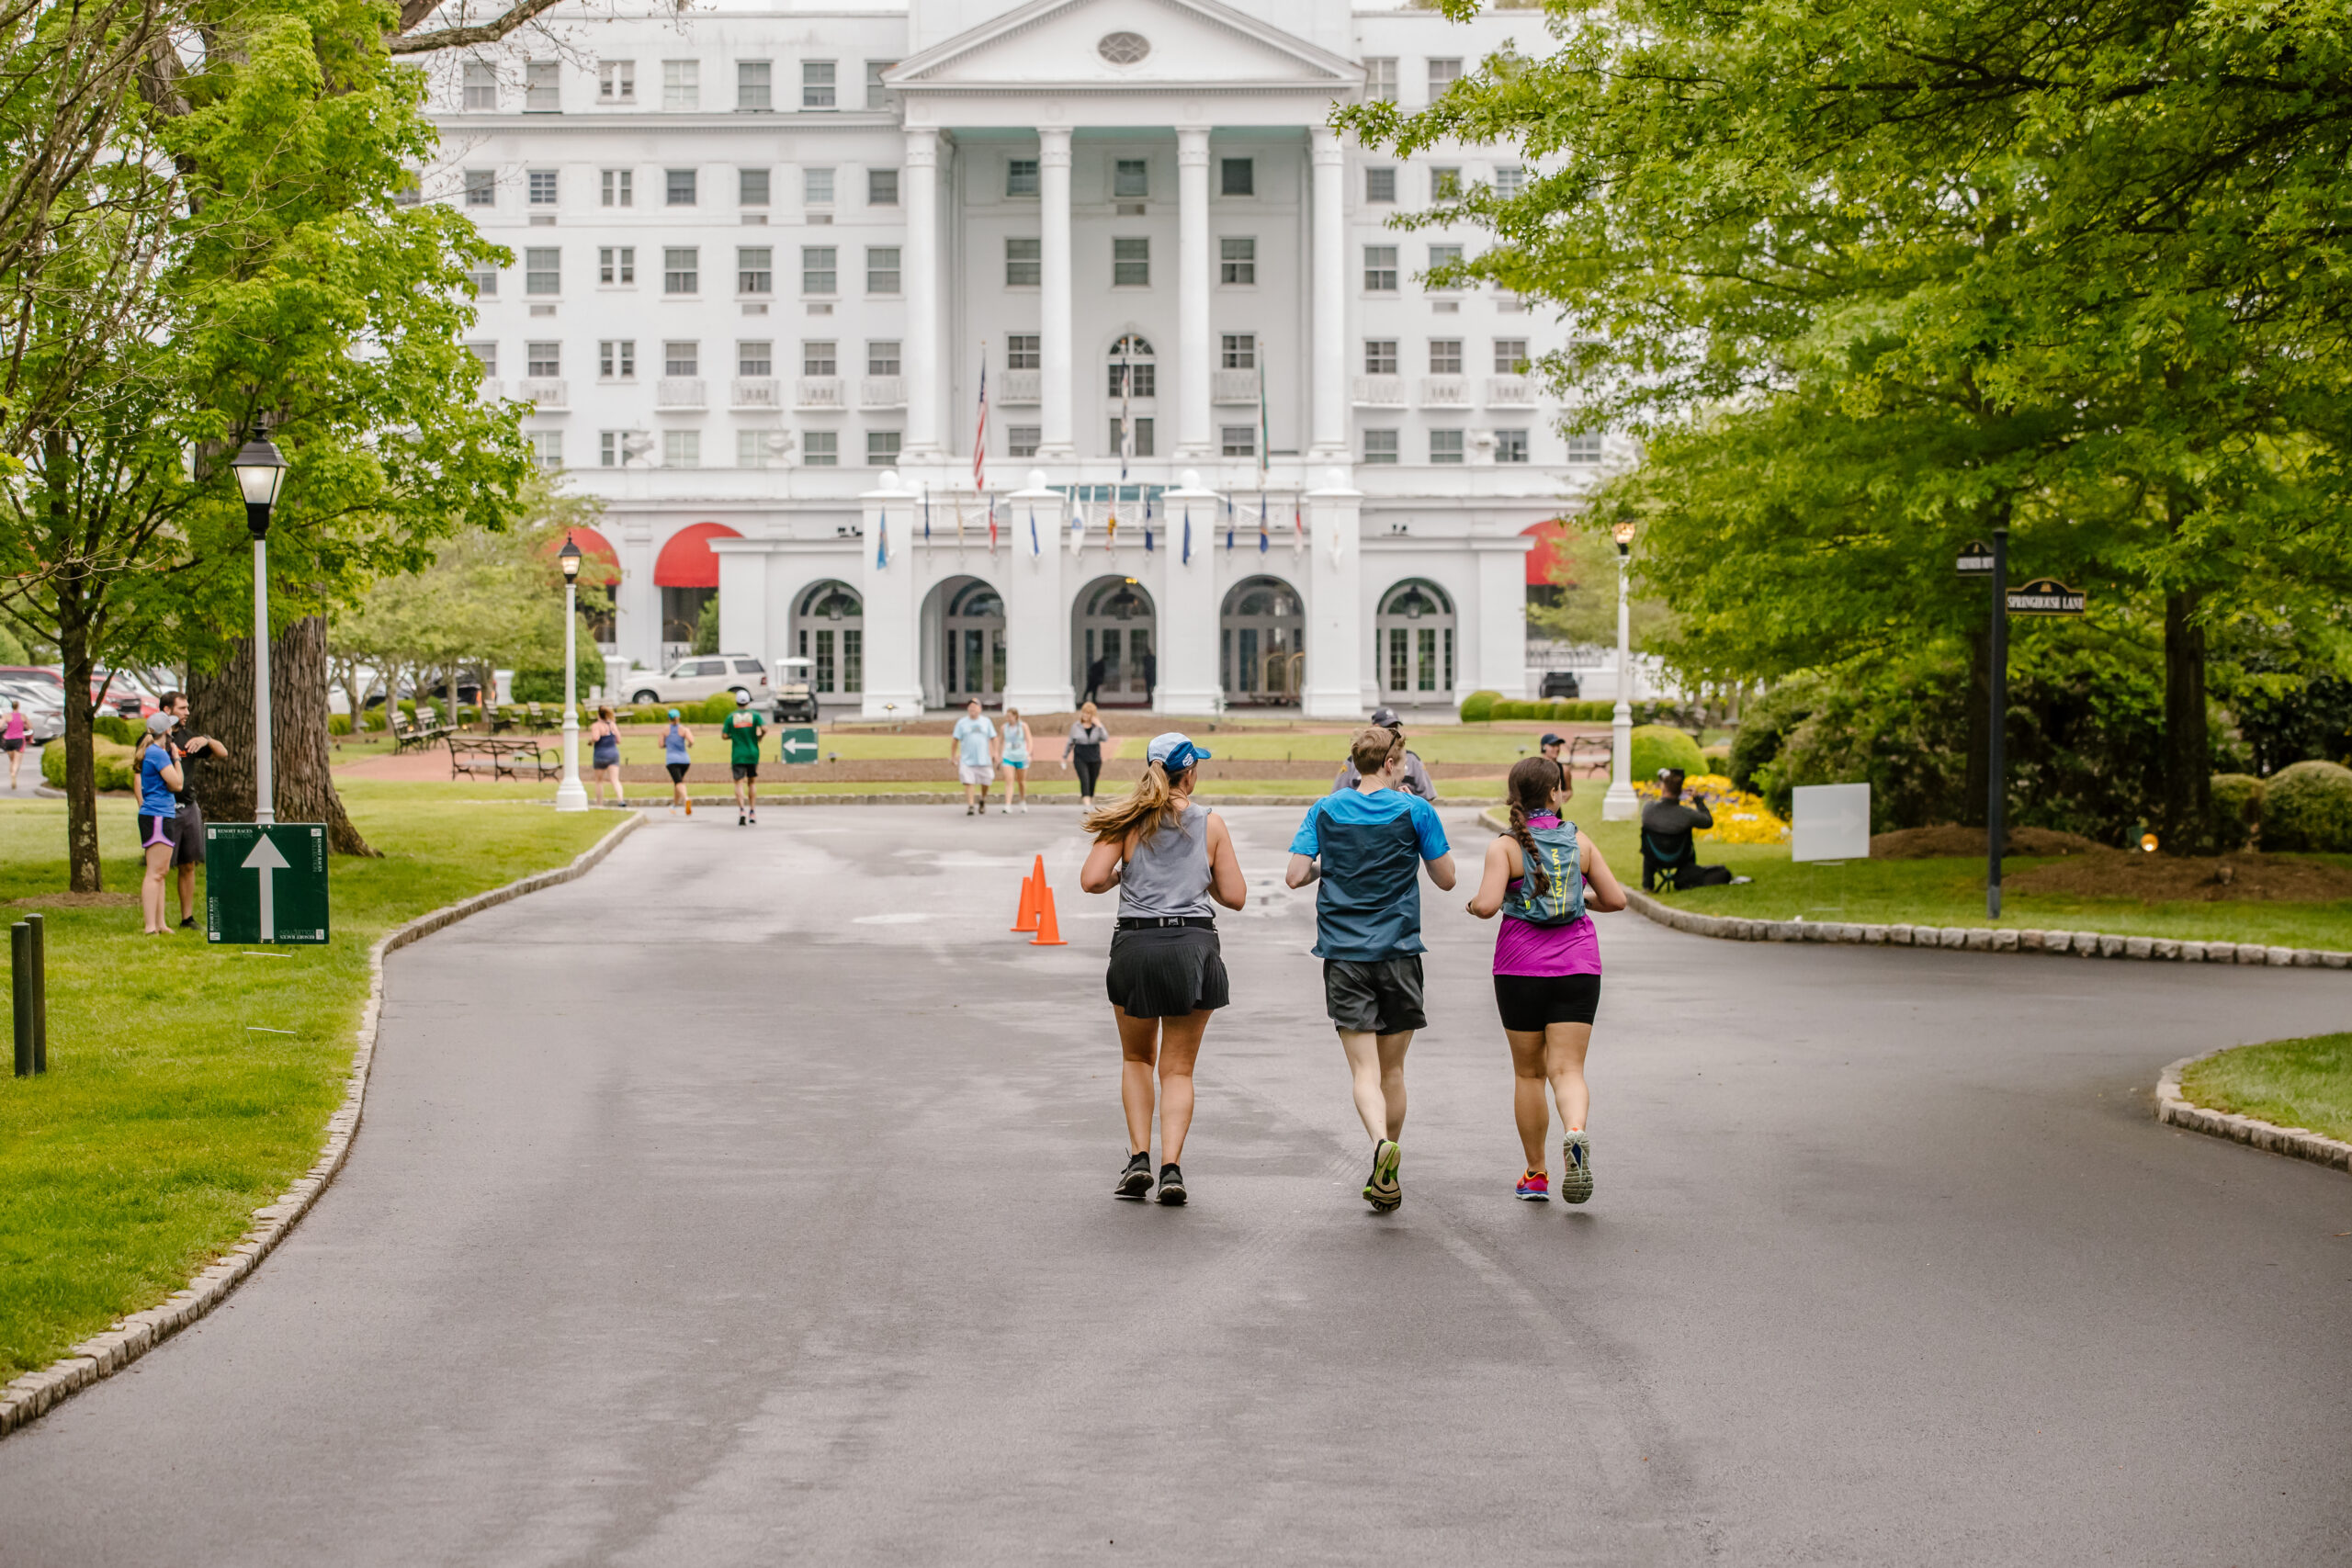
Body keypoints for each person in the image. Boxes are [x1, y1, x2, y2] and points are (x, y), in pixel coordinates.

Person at [1287, 725, 1456, 1212]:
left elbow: (1296, 875)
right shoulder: (1416, 810)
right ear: (1388, 764)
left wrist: (1330, 866)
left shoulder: (1323, 809)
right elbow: (1446, 880)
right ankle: (1389, 1162)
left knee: (1363, 1071)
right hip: (1399, 950)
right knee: (1393, 1070)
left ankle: (1379, 1143)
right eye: (1401, 763)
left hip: (1343, 953)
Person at [1079, 732, 1247, 1205]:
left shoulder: (1128, 820)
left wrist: (1123, 874)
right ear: (1190, 773)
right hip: (1193, 946)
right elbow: (1234, 896)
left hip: (1137, 944)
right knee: (1177, 1071)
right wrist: (1200, 875)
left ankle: (1139, 1159)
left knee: (1137, 1059)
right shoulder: (1211, 824)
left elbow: (1092, 880)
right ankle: (1172, 1168)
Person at [1465, 757, 1628, 1203]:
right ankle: (1575, 1133)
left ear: (1514, 796)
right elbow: (1616, 900)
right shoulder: (1581, 842)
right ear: (1556, 793)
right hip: (1578, 968)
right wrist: (1579, 899)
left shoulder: (1505, 847)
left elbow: (1486, 904)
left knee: (1529, 1074)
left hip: (1519, 969)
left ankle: (1536, 1175)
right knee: (1569, 1069)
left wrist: (1475, 907)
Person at [162, 691, 228, 930]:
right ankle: (156, 922)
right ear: (167, 711)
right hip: (163, 809)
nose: (187, 712)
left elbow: (223, 753)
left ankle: (187, 919)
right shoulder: (152, 739)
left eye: (187, 708)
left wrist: (208, 740)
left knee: (188, 864)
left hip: (189, 808)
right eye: (182, 708)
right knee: (159, 869)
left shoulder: (191, 738)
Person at [1640, 768, 1740, 891]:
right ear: (1680, 792)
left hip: (1654, 858)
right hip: (1680, 859)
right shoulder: (1686, 815)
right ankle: (1684, 879)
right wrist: (1697, 799)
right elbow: (1708, 822)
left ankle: (1648, 885)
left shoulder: (1648, 809)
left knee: (1648, 849)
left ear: (1664, 790)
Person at [134, 712, 184, 936]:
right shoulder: (159, 754)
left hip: (160, 814)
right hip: (157, 816)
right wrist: (177, 759)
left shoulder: (153, 752)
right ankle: (150, 926)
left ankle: (160, 923)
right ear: (167, 731)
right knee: (155, 872)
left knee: (161, 872)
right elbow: (176, 784)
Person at [1329, 705, 1439, 800]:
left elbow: (1426, 795)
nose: (1391, 732)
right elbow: (1337, 796)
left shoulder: (1411, 758)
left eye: (1395, 728)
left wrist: (1414, 808)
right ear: (1374, 728)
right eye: (1386, 728)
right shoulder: (1356, 759)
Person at [723, 691, 764, 825]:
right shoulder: (755, 715)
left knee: (738, 782)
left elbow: (724, 735)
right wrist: (760, 737)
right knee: (751, 782)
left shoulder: (731, 717)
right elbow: (765, 728)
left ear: (737, 702)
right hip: (752, 752)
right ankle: (752, 811)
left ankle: (742, 809)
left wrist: (732, 736)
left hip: (738, 754)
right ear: (748, 701)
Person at [950, 698, 996, 817]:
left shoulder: (986, 722)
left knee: (987, 781)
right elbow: (955, 739)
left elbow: (993, 737)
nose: (972, 709)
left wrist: (995, 753)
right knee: (968, 782)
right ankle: (971, 805)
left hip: (983, 758)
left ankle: (982, 799)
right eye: (970, 707)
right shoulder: (961, 723)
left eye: (975, 707)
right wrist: (953, 755)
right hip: (967, 759)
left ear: (980, 709)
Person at [1063, 703, 1109, 809]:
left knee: (1092, 781)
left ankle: (1089, 798)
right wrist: (1065, 756)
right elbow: (1070, 741)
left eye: (1088, 713)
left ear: (1092, 715)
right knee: (1085, 779)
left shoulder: (1097, 727)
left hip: (1094, 756)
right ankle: (1087, 805)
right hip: (1080, 756)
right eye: (1084, 712)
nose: (1085, 715)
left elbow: (1105, 738)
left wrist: (1100, 726)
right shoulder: (1076, 726)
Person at [997, 706, 1033, 814]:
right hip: (1008, 756)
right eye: (1006, 716)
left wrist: (1028, 754)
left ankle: (1022, 800)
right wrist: (999, 756)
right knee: (1009, 780)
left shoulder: (1023, 726)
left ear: (1015, 716)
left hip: (1021, 756)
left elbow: (1029, 740)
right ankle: (1008, 804)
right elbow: (1000, 741)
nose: (1008, 718)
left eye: (1010, 716)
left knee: (1021, 781)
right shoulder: (1004, 727)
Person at [588, 706, 625, 807]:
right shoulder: (612, 725)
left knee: (599, 781)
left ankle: (599, 804)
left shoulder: (596, 725)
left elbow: (596, 737)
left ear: (599, 714)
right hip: (613, 753)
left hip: (600, 754)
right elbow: (618, 740)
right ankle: (620, 799)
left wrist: (590, 741)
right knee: (615, 779)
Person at [662, 708, 695, 816]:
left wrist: (669, 744)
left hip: (672, 760)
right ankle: (675, 805)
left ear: (669, 718)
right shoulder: (684, 730)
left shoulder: (665, 731)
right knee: (678, 782)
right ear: (679, 718)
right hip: (685, 760)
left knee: (679, 782)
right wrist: (688, 745)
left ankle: (686, 799)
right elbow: (691, 741)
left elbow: (660, 745)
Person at [2, 699, 27, 789]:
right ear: (18, 706)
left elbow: (0, 726)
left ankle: (12, 773)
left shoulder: (7, 716)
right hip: (19, 739)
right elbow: (30, 726)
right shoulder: (23, 716)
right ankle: (13, 774)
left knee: (11, 760)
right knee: (17, 761)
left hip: (8, 740)